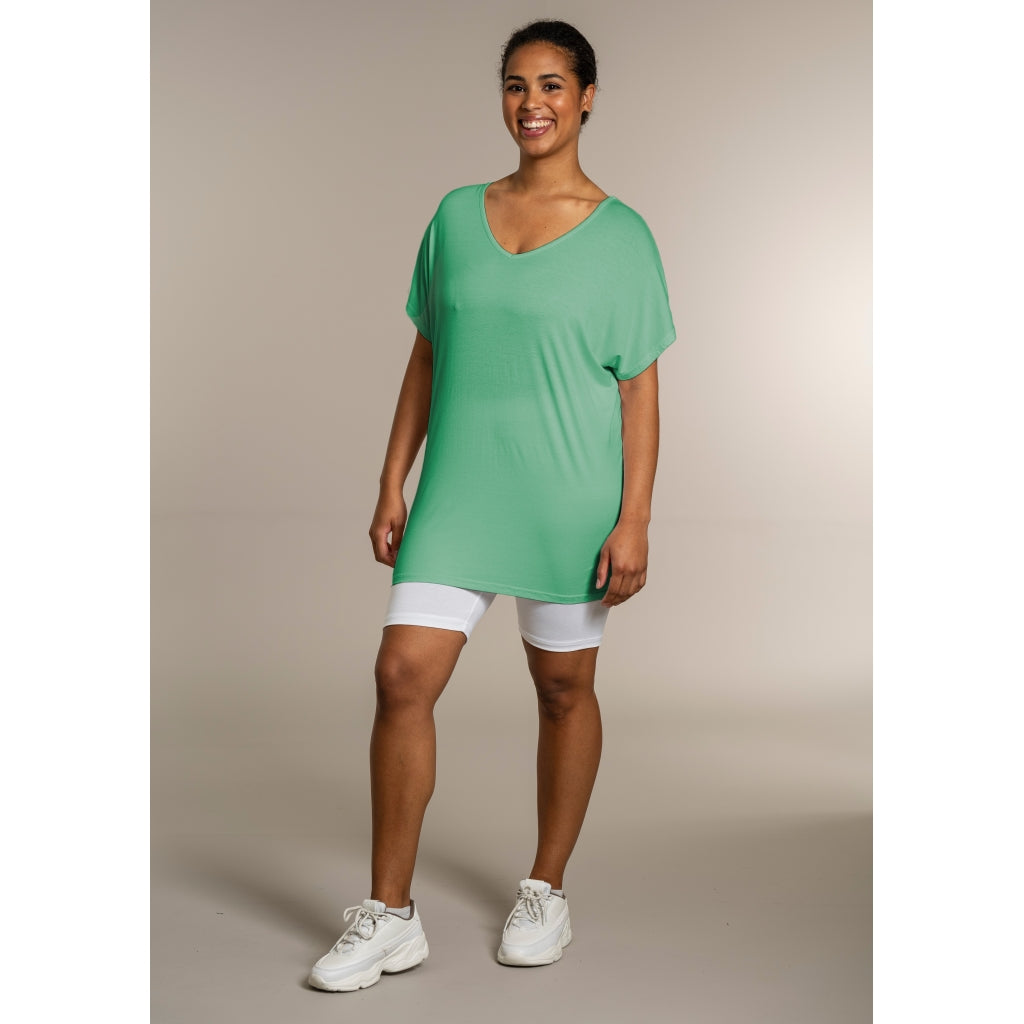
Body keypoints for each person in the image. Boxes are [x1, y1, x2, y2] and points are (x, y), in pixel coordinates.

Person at [309, 19, 676, 992]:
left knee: (562, 691)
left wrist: (635, 517)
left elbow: (639, 388)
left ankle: (546, 889)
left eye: (552, 84)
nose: (532, 103)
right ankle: (390, 914)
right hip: (460, 491)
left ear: (586, 98)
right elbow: (427, 354)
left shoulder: (623, 235)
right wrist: (392, 477)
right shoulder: (454, 216)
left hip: (568, 496)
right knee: (401, 675)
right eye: (516, 85)